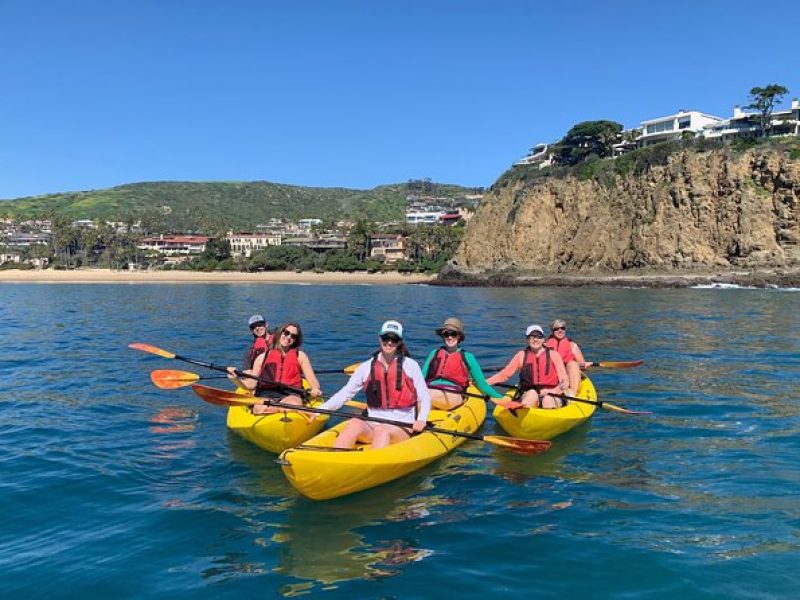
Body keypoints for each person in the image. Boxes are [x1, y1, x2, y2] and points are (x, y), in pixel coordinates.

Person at [315, 320, 431, 450]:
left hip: (402, 426)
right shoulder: (366, 367)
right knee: (354, 424)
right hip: (373, 424)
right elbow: (344, 394)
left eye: (394, 339)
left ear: (399, 342)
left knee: (381, 431)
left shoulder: (410, 365)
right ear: (380, 338)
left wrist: (421, 419)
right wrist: (319, 411)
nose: (390, 342)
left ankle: (371, 465)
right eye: (386, 338)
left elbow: (425, 397)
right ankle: (335, 460)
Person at [421, 317, 505, 409]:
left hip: (453, 394)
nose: (450, 337)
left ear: (459, 336)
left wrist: (502, 398)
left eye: (453, 334)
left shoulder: (467, 357)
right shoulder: (434, 353)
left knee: (424, 396)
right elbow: (420, 379)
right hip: (431, 389)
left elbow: (482, 385)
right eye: (446, 334)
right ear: (442, 336)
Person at [487, 324, 568, 409]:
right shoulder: (521, 355)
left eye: (539, 337)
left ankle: (547, 415)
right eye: (531, 337)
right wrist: (483, 382)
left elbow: (564, 379)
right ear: (527, 340)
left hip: (552, 393)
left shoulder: (553, 354)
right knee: (532, 394)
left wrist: (555, 390)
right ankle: (523, 409)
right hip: (529, 392)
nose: (535, 340)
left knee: (547, 400)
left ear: (544, 340)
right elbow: (504, 375)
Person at [249, 321, 322, 415]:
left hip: (291, 393)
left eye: (293, 336)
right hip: (267, 393)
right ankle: (280, 408)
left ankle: (278, 408)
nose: (288, 337)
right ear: (280, 332)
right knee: (259, 408)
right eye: (286, 333)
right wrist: (235, 378)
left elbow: (313, 381)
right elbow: (251, 385)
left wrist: (315, 389)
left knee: (292, 404)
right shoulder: (262, 357)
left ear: (296, 340)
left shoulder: (300, 356)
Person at [546, 318, 592, 395]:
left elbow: (582, 366)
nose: (560, 330)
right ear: (552, 331)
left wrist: (584, 365)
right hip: (552, 376)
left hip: (567, 376)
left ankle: (572, 395)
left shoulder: (573, 346)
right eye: (556, 329)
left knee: (573, 364)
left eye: (562, 328)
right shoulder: (545, 346)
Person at [227, 314, 272, 385]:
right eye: (253, 327)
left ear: (266, 325)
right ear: (251, 330)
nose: (257, 328)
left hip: (279, 376)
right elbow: (246, 372)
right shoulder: (249, 351)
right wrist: (236, 376)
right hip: (261, 380)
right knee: (247, 373)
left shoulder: (280, 340)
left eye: (260, 324)